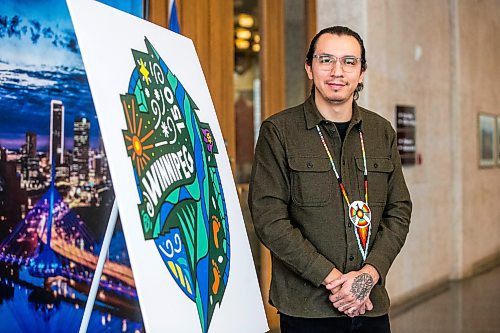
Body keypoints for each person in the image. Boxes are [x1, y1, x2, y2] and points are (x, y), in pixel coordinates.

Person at [248, 26, 412, 333]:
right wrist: (338, 282)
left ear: (361, 72)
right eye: (326, 60)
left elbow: (399, 211)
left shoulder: (381, 132)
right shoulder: (279, 132)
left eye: (349, 62)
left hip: (372, 305)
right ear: (309, 68)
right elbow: (269, 218)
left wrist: (367, 278)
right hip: (307, 309)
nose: (337, 71)